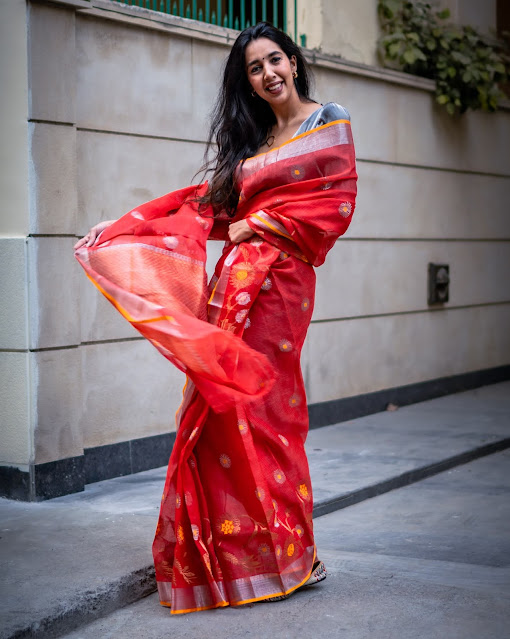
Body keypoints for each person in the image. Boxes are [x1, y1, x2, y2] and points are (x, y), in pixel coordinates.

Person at [75, 22, 357, 614]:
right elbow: (203, 205)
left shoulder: (327, 120)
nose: (268, 74)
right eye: (255, 69)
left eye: (275, 60)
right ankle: (233, 560)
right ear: (248, 82)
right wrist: (123, 226)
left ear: (295, 62)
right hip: (231, 286)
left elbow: (332, 209)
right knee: (218, 406)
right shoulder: (254, 145)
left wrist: (258, 225)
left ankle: (293, 555)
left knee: (269, 410)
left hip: (280, 288)